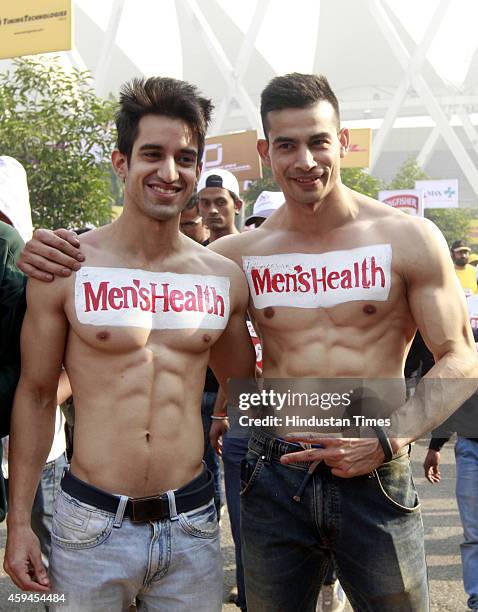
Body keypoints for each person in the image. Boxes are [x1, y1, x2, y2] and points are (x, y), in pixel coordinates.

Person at [15, 73, 478, 611]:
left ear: (343, 143)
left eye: (318, 141)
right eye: (287, 145)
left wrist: (389, 435)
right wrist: (38, 249)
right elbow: (215, 352)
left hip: (374, 464)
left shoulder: (406, 237)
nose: (304, 160)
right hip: (274, 468)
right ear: (265, 153)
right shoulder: (236, 257)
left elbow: (462, 357)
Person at [4, 76, 255, 612]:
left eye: (185, 158)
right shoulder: (67, 266)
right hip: (88, 524)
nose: (170, 173)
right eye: (152, 154)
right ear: (121, 163)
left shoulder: (222, 277)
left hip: (191, 524)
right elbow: (36, 392)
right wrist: (19, 522)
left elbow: (245, 383)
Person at [423, 291, 478, 611]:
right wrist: (435, 445)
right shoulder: (468, 343)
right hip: (471, 448)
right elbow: (454, 394)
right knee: (474, 536)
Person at [197, 168, 243, 242]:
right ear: (198, 207)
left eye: (221, 203)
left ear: (237, 206)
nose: (212, 210)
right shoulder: (195, 252)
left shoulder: (253, 251)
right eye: (205, 203)